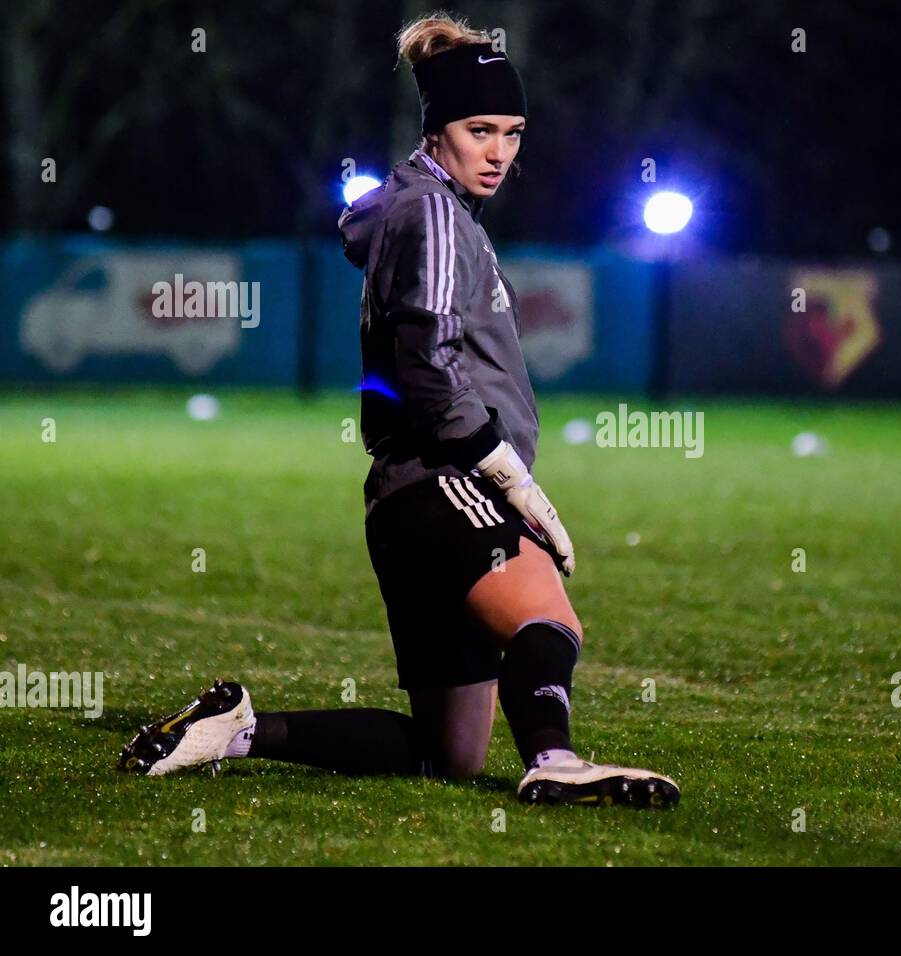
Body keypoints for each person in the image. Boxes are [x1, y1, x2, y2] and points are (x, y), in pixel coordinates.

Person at [118, 12, 679, 808]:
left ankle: (240, 729)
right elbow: (430, 369)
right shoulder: (437, 215)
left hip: (405, 502)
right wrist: (510, 477)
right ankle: (554, 757)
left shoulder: (413, 206)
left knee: (450, 754)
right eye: (479, 129)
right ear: (439, 130)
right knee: (547, 618)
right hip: (446, 479)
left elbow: (364, 225)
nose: (499, 152)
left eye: (513, 133)